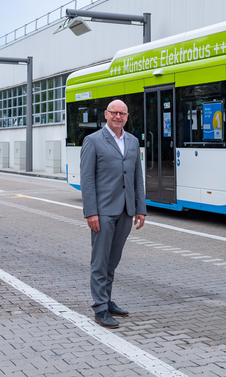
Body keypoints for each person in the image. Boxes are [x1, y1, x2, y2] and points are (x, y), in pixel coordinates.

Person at [80, 99, 146, 328]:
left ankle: (106, 301)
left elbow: (137, 177)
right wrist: (91, 212)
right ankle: (99, 308)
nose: (118, 117)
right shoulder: (93, 141)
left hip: (126, 210)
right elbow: (87, 180)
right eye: (114, 113)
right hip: (103, 211)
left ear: (127, 116)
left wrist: (140, 208)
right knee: (100, 261)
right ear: (106, 114)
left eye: (123, 114)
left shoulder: (132, 141)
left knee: (113, 260)